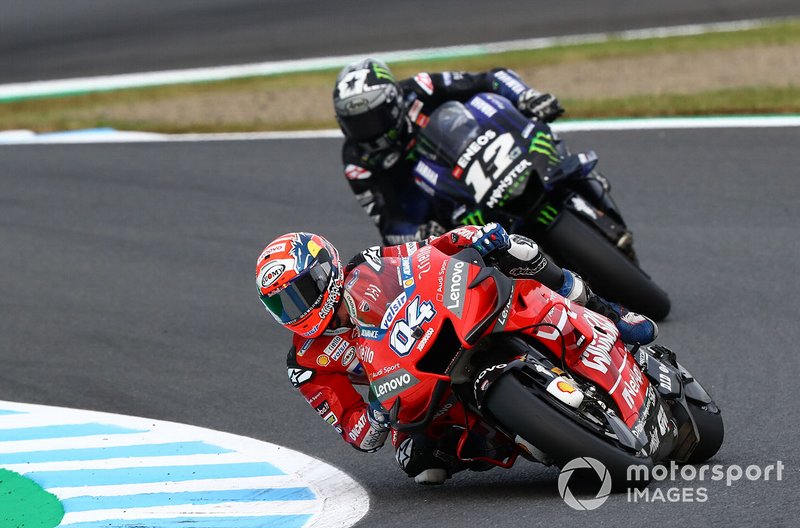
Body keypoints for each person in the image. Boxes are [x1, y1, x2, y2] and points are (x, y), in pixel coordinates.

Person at [256, 223, 657, 484]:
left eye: (300, 293)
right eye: (283, 305)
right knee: (419, 465)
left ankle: (609, 312)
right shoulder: (306, 362)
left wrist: (473, 237)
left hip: (444, 326)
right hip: (410, 390)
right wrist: (374, 417)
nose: (297, 309)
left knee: (515, 249)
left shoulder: (371, 264)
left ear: (326, 272)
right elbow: (352, 429)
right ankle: (520, 435)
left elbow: (432, 250)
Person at [333, 58, 564, 244]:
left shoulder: (421, 88)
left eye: (372, 119)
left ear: (393, 104)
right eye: (356, 124)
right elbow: (387, 224)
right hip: (443, 215)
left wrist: (526, 96)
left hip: (481, 158)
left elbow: (490, 79)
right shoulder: (357, 163)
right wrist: (419, 232)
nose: (367, 131)